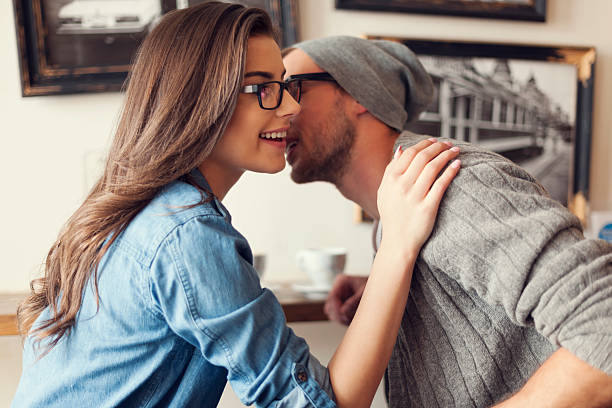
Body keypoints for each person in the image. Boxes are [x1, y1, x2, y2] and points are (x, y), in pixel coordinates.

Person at [12, 5, 461, 408]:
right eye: (262, 87)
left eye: (286, 86)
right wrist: (398, 242)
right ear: (200, 97)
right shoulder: (186, 234)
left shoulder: (145, 213)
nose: (289, 107)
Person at [282, 36, 612, 407]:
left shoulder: (455, 186)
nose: (279, 110)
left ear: (360, 95)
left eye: (293, 88)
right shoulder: (395, 225)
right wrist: (392, 294)